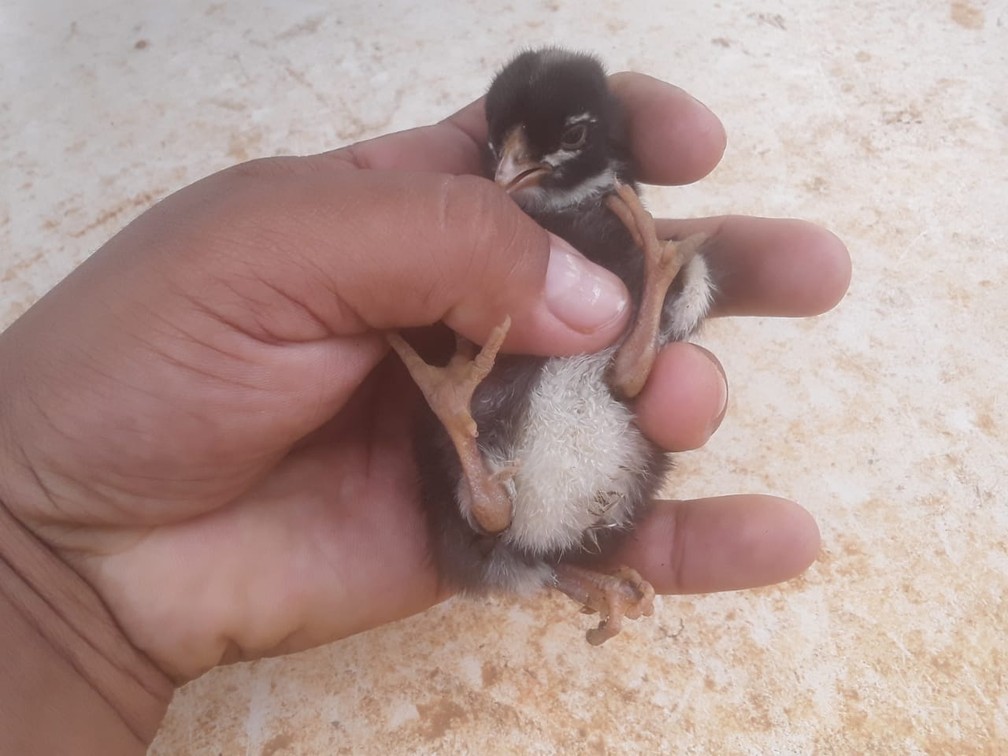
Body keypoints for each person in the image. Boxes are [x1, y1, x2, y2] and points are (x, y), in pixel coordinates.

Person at [0, 72, 849, 753]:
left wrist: (43, 569)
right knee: (623, 379)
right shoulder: (519, 240)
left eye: (553, 142)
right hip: (503, 490)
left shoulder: (619, 239)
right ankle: (497, 497)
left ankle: (510, 513)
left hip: (514, 496)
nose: (511, 163)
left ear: (601, 141)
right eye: (503, 145)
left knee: (631, 374)